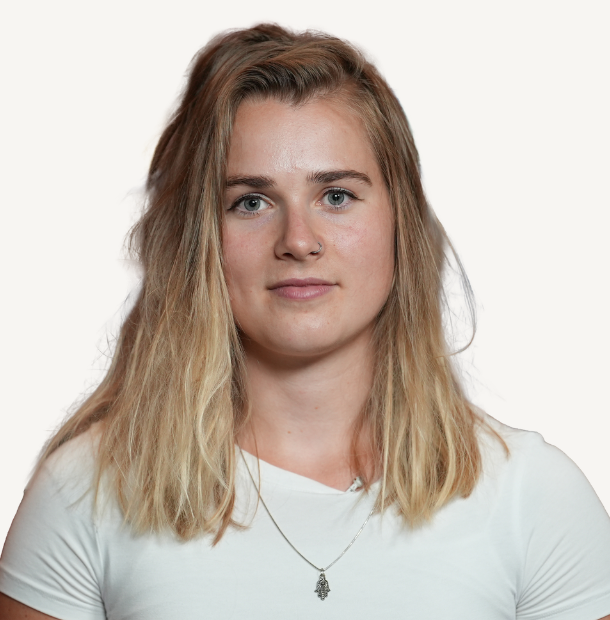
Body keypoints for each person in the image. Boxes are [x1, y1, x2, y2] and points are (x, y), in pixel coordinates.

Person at [1, 23, 609, 620]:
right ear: (198, 239)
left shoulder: (535, 497)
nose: (298, 240)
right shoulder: (84, 492)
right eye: (251, 202)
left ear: (400, 221)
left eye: (336, 195)